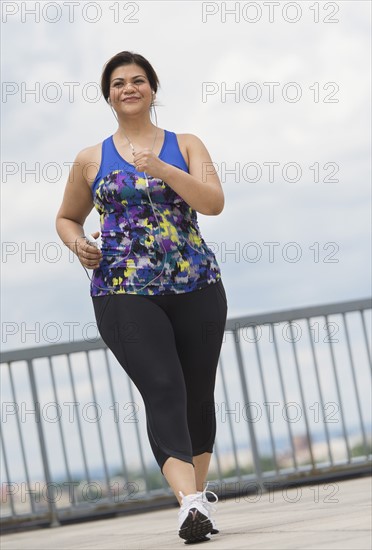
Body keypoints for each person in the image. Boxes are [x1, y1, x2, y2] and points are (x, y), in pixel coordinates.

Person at [55, 51, 228, 544]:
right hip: (123, 289)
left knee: (197, 394)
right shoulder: (91, 158)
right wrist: (78, 245)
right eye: (118, 83)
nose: (128, 88)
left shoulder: (186, 144)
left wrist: (162, 169)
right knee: (163, 386)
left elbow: (213, 203)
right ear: (107, 95)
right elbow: (66, 217)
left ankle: (197, 499)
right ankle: (190, 505)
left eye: (138, 81)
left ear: (153, 89)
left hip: (197, 284)